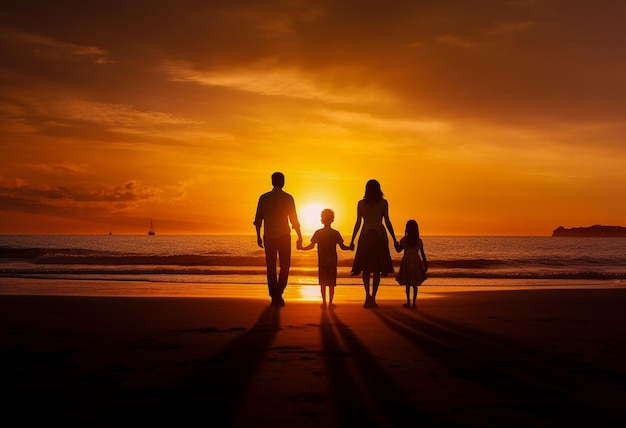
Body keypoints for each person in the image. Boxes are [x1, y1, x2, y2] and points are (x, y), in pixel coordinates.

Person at [254, 172, 303, 306]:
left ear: (272, 182)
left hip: (268, 236)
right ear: (283, 182)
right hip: (284, 236)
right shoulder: (288, 198)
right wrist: (299, 236)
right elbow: (294, 219)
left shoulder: (264, 198)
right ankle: (278, 293)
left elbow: (258, 220)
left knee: (271, 267)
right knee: (285, 266)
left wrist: (258, 236)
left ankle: (274, 294)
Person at [349, 179, 399, 308]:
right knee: (377, 269)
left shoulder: (361, 203)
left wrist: (352, 240)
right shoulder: (383, 203)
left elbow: (358, 223)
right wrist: (394, 239)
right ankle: (373, 297)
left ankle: (367, 296)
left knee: (366, 269)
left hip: (365, 236)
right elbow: (387, 221)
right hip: (379, 236)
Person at [301, 209, 352, 309]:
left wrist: (302, 248)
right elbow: (343, 247)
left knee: (323, 284)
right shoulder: (335, 233)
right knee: (331, 284)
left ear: (322, 219)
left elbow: (311, 246)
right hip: (332, 261)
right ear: (332, 220)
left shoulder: (318, 232)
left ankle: (324, 302)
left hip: (322, 262)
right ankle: (330, 303)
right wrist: (350, 247)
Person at [395, 219, 428, 308]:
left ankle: (408, 302)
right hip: (416, 262)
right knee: (415, 284)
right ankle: (414, 303)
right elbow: (423, 254)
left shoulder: (404, 240)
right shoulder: (419, 241)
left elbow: (398, 250)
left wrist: (395, 244)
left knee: (408, 283)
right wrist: (425, 265)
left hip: (406, 261)